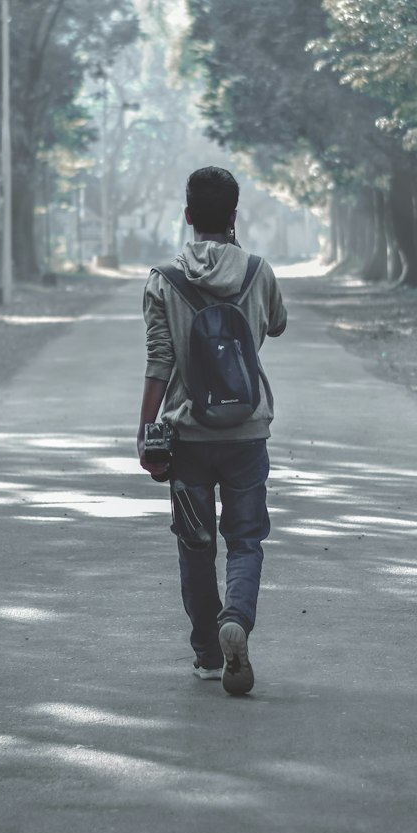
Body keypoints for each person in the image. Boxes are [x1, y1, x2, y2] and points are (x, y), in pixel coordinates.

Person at [136, 166, 287, 695]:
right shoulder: (258, 271)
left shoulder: (164, 279)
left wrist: (144, 431)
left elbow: (159, 360)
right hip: (247, 432)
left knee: (194, 544)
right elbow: (277, 324)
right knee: (245, 540)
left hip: (187, 434)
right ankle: (235, 620)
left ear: (187, 217)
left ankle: (206, 652)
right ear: (233, 216)